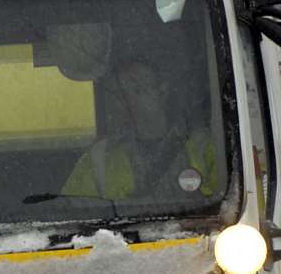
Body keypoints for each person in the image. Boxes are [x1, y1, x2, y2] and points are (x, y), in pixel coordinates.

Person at [60, 59, 217, 202]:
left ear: (162, 91)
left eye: (138, 89)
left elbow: (226, 205)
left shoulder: (203, 146)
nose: (130, 100)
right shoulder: (99, 158)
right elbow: (70, 213)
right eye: (123, 94)